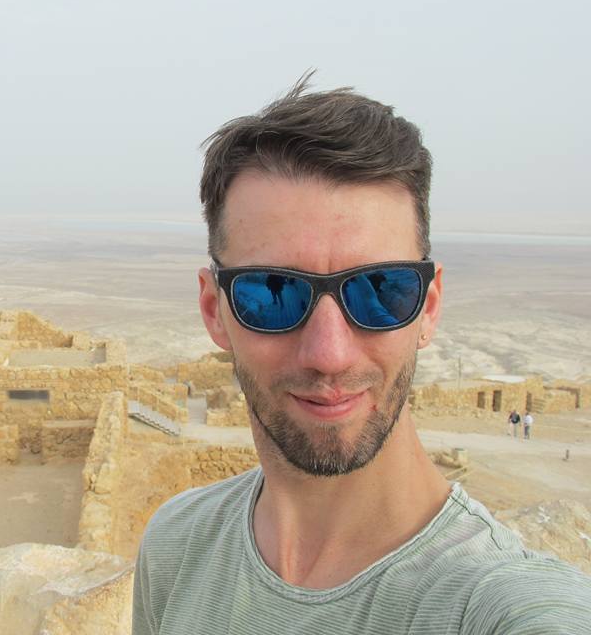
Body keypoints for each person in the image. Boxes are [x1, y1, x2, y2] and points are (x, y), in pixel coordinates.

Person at [132, 76, 591, 634]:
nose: (329, 354)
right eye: (272, 294)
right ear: (213, 310)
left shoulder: (495, 606)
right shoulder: (177, 546)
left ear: (428, 307)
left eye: (381, 290)